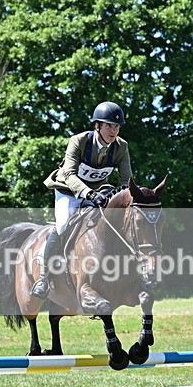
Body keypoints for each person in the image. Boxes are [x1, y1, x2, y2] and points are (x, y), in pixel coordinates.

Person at [31, 101, 133, 298]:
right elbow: (69, 174)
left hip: (98, 191)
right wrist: (87, 193)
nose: (114, 131)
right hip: (68, 190)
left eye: (117, 127)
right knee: (62, 226)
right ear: (97, 125)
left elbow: (126, 180)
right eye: (109, 126)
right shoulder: (78, 141)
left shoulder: (121, 147)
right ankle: (44, 278)